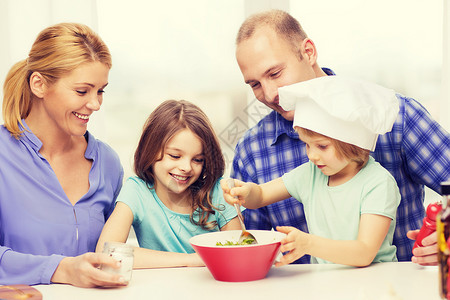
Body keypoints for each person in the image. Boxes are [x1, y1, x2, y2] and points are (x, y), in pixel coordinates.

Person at [232, 9, 450, 265]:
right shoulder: (253, 149)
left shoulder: (396, 117)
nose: (269, 95)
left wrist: (446, 236)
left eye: (275, 73)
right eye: (255, 84)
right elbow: (246, 245)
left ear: (309, 52)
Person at [223, 75, 402, 266]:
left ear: (353, 143)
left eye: (322, 146)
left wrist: (308, 243)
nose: (312, 155)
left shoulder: (378, 183)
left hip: (374, 285)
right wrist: (246, 192)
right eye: (307, 145)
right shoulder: (311, 174)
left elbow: (364, 253)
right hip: (326, 283)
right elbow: (261, 195)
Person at [0, 23, 125, 287]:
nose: (95, 104)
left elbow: (112, 252)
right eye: (82, 91)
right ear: (39, 84)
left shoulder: (108, 163)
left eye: (100, 91)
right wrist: (62, 269)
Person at [96, 100, 241, 268]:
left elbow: (238, 254)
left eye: (198, 160)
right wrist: (191, 260)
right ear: (149, 150)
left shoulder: (218, 191)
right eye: (175, 156)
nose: (186, 167)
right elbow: (106, 253)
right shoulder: (137, 191)